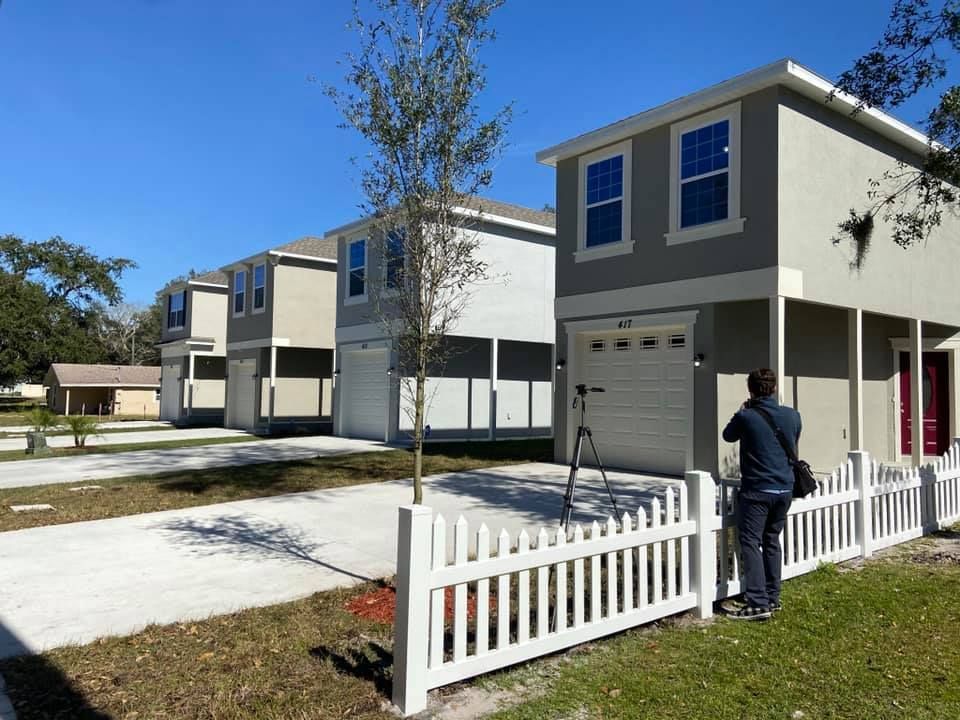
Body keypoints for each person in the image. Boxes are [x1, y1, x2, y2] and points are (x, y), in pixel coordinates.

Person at [722, 368, 802, 620]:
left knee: (750, 542)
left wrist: (741, 410)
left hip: (757, 489)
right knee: (771, 540)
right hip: (784, 489)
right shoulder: (792, 415)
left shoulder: (746, 416)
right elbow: (794, 437)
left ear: (751, 389)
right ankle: (772, 595)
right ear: (775, 388)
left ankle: (757, 602)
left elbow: (728, 435)